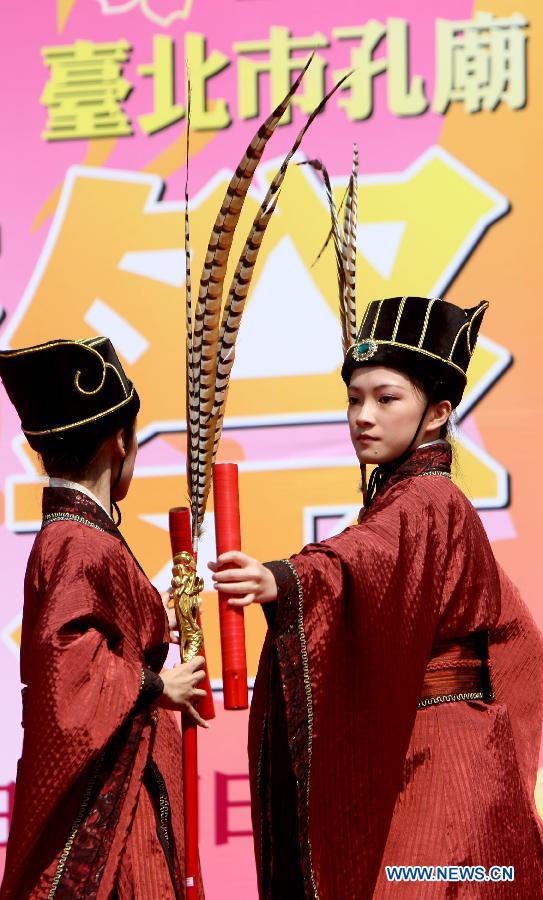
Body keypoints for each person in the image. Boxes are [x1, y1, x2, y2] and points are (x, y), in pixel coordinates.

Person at [209, 296, 543, 898]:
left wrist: (285, 580)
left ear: (437, 413)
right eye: (354, 398)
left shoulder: (427, 500)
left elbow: (366, 557)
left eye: (387, 399)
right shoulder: (407, 500)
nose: (363, 416)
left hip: (445, 759)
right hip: (442, 747)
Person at [0, 337, 208, 898]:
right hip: (117, 802)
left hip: (128, 769)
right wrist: (155, 684)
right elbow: (69, 664)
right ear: (121, 440)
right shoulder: (79, 543)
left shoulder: (76, 537)